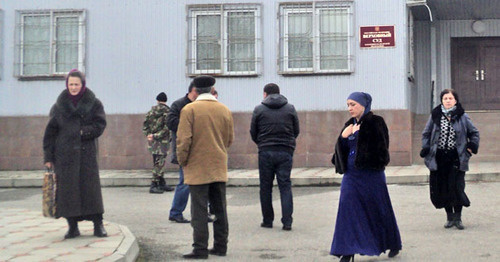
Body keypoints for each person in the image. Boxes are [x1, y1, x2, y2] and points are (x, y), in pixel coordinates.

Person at [330, 92, 402, 262]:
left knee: (379, 210)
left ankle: (393, 243)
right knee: (347, 210)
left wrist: (358, 135)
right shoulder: (348, 125)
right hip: (351, 176)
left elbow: (382, 151)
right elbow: (337, 156)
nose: (350, 108)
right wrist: (343, 137)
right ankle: (347, 252)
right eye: (348, 105)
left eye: (353, 104)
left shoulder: (376, 122)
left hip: (372, 175)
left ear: (363, 105)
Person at [43, 69, 108, 239]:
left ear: (82, 85)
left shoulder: (94, 103)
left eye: (76, 84)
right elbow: (50, 133)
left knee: (90, 190)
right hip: (64, 156)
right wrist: (48, 157)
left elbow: (100, 125)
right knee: (68, 193)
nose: (73, 87)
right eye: (71, 84)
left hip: (86, 155)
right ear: (67, 85)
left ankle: (98, 224)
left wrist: (83, 132)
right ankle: (72, 226)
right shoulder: (59, 106)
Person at [177, 75, 234, 259]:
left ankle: (200, 248)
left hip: (197, 166)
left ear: (196, 90)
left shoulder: (189, 110)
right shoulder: (224, 109)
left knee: (199, 210)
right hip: (218, 165)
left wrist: (182, 160)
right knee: (220, 209)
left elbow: (184, 140)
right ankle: (221, 246)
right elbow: (229, 139)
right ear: (212, 89)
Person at [420, 89, 479, 230]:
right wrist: (426, 148)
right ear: (441, 100)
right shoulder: (435, 115)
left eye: (450, 98)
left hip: (456, 158)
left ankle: (458, 219)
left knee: (457, 187)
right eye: (445, 98)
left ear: (455, 101)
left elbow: (474, 133)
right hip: (439, 158)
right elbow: (426, 134)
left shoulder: (462, 116)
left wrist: (471, 147)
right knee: (444, 188)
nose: (447, 100)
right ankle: (449, 218)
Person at [250, 83, 300, 231]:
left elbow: (253, 131)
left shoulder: (259, 109)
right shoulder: (290, 108)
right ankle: (287, 222)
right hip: (285, 151)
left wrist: (261, 143)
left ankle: (267, 220)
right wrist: (288, 143)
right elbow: (296, 130)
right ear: (279, 93)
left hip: (265, 151)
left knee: (265, 187)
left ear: (265, 94)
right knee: (285, 186)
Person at [166, 82, 198, 223]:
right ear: (193, 91)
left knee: (201, 183)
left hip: (198, 149)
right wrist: (187, 123)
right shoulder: (178, 105)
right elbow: (170, 123)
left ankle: (202, 213)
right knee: (184, 183)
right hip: (183, 149)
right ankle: (176, 212)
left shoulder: (199, 106)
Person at [143, 92, 174, 194]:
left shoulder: (151, 111)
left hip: (153, 142)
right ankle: (154, 184)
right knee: (159, 163)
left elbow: (145, 125)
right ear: (166, 100)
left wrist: (149, 135)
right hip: (163, 142)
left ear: (157, 100)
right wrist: (156, 135)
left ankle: (161, 182)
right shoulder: (168, 112)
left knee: (157, 161)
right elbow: (167, 128)